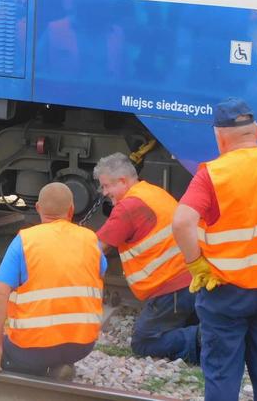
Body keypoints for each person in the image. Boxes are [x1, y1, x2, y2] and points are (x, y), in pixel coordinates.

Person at [173, 97, 257, 401]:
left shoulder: (212, 174)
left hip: (226, 290)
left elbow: (181, 223)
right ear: (256, 131)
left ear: (219, 137)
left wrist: (196, 265)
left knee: (222, 372)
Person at [0, 182, 106, 378]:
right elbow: (98, 275)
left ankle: (36, 368)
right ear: (71, 209)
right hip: (82, 345)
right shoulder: (91, 240)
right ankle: (58, 366)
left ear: (38, 208)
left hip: (32, 348)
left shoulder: (25, 241)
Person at [93, 153, 199, 363]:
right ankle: (211, 333)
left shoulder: (128, 207)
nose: (104, 193)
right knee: (178, 325)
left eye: (106, 186)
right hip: (191, 282)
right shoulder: (152, 192)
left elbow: (96, 248)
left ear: (122, 181)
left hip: (171, 289)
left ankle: (208, 338)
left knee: (144, 343)